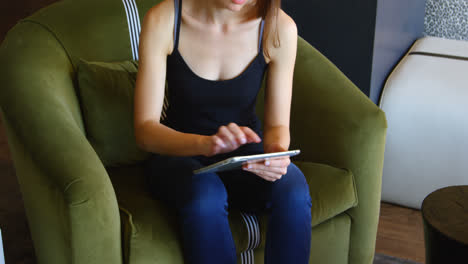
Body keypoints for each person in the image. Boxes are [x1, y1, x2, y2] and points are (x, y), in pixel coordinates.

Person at [133, 0, 312, 263]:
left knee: (293, 188)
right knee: (206, 194)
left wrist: (275, 155)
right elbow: (145, 130)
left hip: (243, 157)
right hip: (178, 155)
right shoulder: (164, 20)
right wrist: (206, 144)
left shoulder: (277, 27)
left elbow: (277, 126)